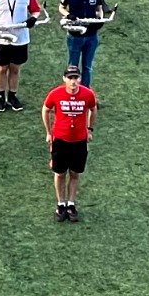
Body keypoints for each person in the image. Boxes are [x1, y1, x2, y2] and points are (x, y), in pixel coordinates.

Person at [42, 65, 97, 222]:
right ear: (64, 79)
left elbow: (93, 109)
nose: (73, 82)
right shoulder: (56, 94)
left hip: (79, 140)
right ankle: (61, 203)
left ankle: (71, 203)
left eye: (76, 78)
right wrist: (48, 132)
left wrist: (90, 129)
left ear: (80, 79)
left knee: (74, 173)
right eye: (70, 78)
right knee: (59, 173)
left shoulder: (88, 94)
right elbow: (45, 109)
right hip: (60, 140)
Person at [59, 0, 109, 88]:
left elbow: (98, 9)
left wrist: (100, 18)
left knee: (87, 67)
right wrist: (67, 15)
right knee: (73, 67)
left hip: (92, 36)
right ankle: (71, 91)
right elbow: (61, 7)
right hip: (75, 36)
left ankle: (86, 93)